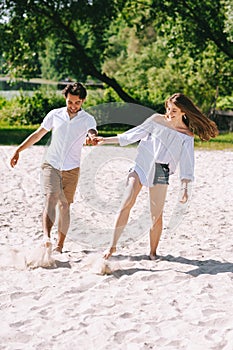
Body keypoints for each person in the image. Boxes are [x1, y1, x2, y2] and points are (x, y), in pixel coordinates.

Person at [97, 93, 219, 260]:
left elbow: (187, 166)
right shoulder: (156, 120)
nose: (169, 112)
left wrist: (184, 190)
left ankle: (153, 252)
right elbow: (130, 136)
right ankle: (111, 247)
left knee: (156, 215)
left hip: (161, 171)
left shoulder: (186, 135)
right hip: (142, 164)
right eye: (168, 108)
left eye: (174, 110)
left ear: (184, 112)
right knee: (127, 202)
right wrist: (104, 139)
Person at [10, 82, 98, 253]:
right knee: (51, 197)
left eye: (77, 103)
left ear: (83, 101)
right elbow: (37, 135)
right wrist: (18, 150)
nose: (73, 106)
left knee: (65, 206)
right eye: (70, 102)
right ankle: (46, 238)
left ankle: (60, 245)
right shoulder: (55, 115)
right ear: (65, 99)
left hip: (72, 168)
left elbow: (92, 132)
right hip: (51, 164)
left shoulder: (88, 119)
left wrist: (92, 138)